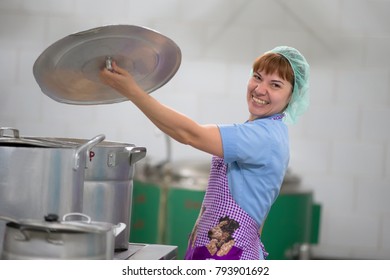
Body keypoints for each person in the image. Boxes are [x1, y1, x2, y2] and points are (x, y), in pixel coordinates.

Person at [100, 46, 310, 260]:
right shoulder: (266, 130)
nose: (260, 89)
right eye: (257, 77)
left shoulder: (264, 136)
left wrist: (132, 91)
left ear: (292, 96)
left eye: (275, 85)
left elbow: (189, 134)